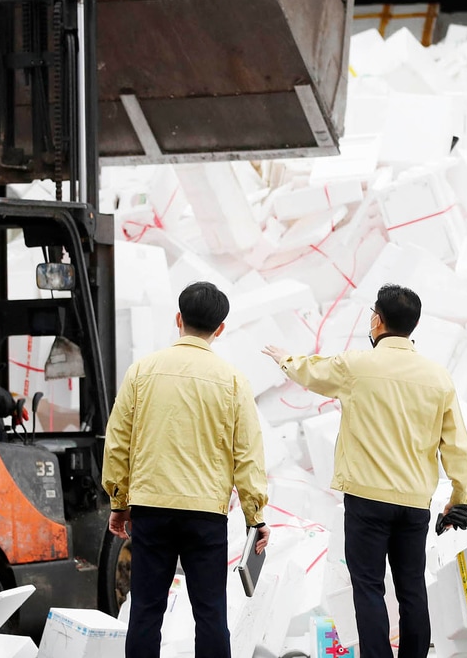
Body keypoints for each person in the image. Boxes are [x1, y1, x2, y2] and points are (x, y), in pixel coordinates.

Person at [263, 284, 467, 658]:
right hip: (414, 502)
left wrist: (285, 359)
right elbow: (459, 446)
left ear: (378, 320)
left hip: (366, 500)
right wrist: (459, 499)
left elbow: (313, 373)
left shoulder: (356, 366)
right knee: (412, 587)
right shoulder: (437, 377)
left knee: (368, 587)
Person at [102, 281, 270, 658]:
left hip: (152, 509)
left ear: (177, 319)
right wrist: (254, 517)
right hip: (205, 513)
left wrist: (118, 501)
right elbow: (247, 455)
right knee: (210, 612)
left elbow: (117, 443)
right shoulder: (232, 381)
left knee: (145, 609)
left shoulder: (141, 371)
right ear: (220, 330)